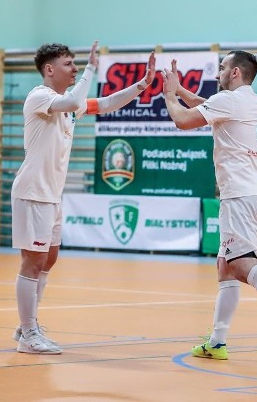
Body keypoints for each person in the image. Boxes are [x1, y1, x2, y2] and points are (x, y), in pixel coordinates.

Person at [162, 50, 257, 360]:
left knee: (241, 265)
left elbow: (182, 120)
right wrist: (181, 91)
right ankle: (217, 342)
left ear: (235, 73)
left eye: (222, 68)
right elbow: (209, 108)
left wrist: (169, 96)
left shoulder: (228, 101)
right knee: (225, 266)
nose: (218, 73)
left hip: (239, 195)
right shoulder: (255, 102)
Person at [12, 41, 155, 354]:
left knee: (48, 259)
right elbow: (77, 97)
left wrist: (142, 84)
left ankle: (28, 323)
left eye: (77, 64)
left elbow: (105, 103)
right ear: (49, 70)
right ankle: (28, 334)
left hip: (52, 194)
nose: (75, 69)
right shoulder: (40, 96)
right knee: (32, 262)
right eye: (68, 64)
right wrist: (92, 67)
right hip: (34, 192)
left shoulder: (67, 102)